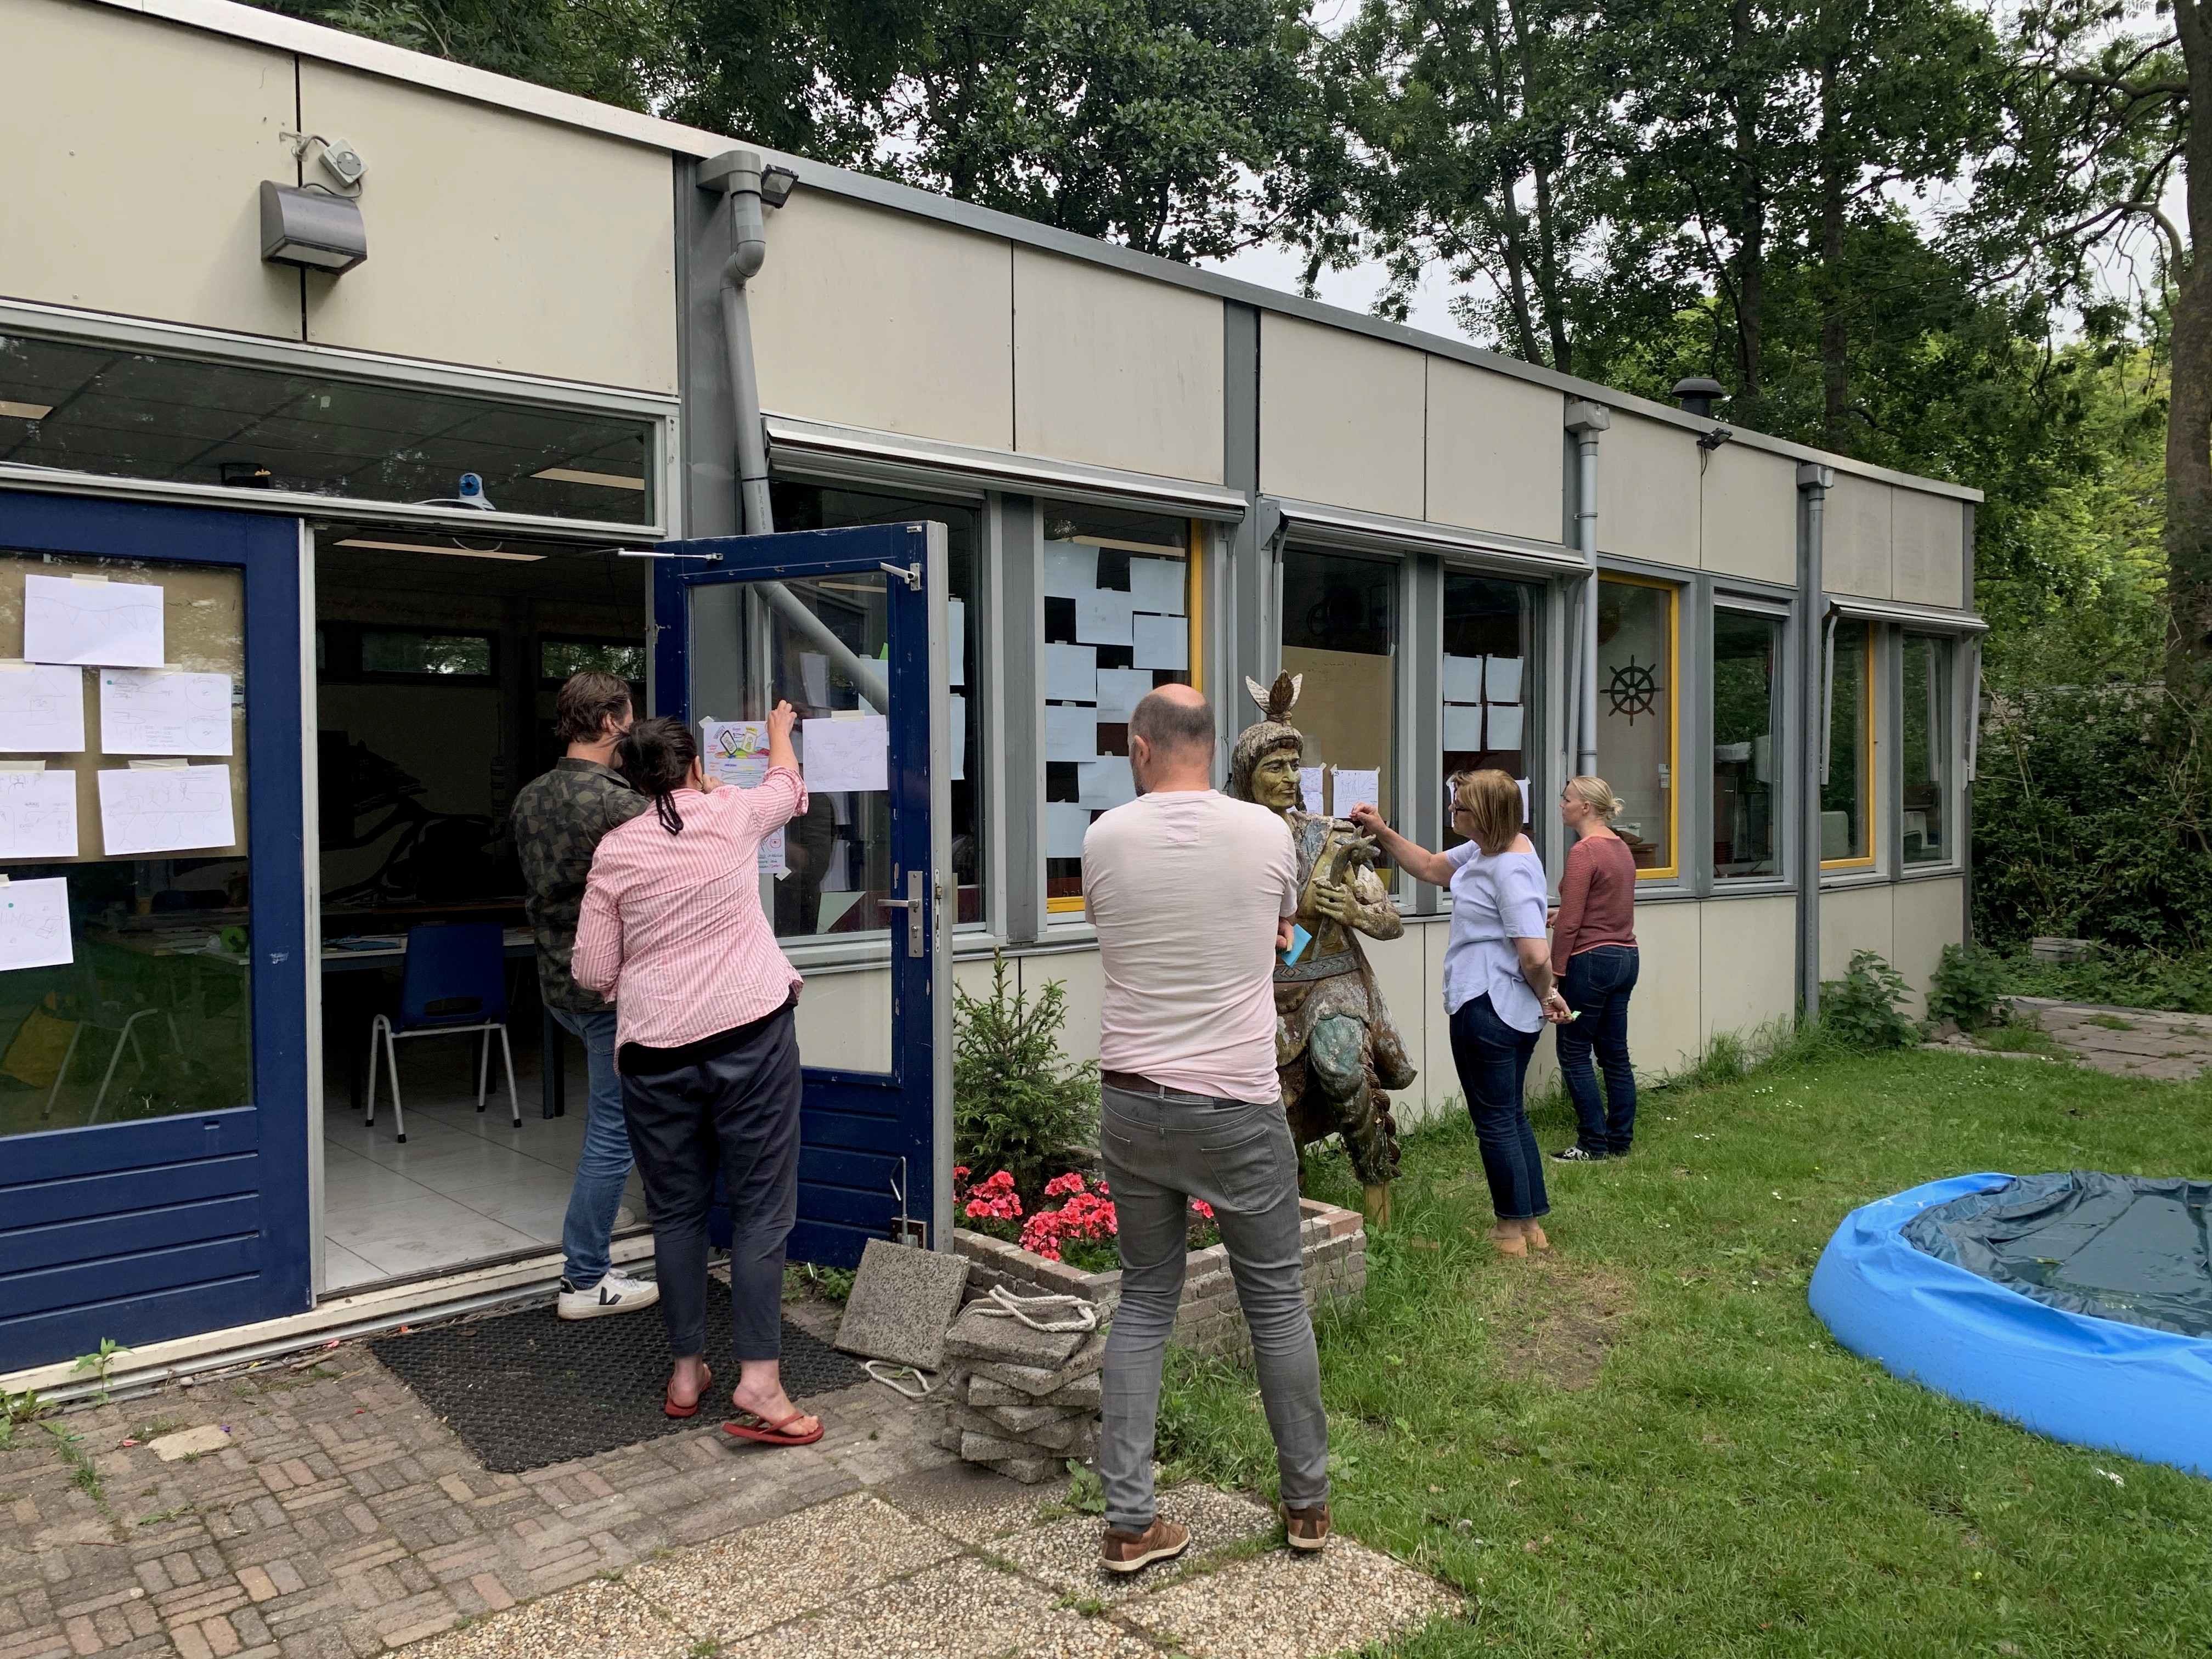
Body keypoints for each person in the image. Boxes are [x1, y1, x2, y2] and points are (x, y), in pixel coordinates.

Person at [1083, 683, 1332, 1573]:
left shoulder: (1103, 836)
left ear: (1140, 749)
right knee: (1274, 1301)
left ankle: (1127, 1520)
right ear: (1211, 745)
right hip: (1236, 1098)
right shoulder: (1271, 834)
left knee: (1145, 1298)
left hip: (1134, 1097)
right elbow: (1285, 938)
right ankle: (1305, 1504)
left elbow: (1114, 941)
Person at [572, 710, 822, 1444]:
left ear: (629, 777)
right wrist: (779, 726)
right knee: (762, 1212)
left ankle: (687, 1372)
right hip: (751, 1036)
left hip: (656, 1056)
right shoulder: (729, 814)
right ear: (692, 765)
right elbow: (786, 784)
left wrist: (649, 980)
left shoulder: (615, 851)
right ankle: (761, 1383)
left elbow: (590, 971)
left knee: (677, 1213)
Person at [1351, 772, 1569, 1256]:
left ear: (1487, 815)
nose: (1453, 815)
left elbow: (1534, 953)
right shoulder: (1492, 850)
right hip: (1501, 1002)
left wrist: (1547, 991)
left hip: (1488, 1004)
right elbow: (1430, 867)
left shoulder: (1506, 870)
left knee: (1494, 1120)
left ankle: (1509, 1232)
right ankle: (1530, 1226)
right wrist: (1381, 831)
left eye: (1460, 809)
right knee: (1510, 1114)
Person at [509, 670, 660, 1322]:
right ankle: (585, 1276)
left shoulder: (530, 797)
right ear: (610, 723)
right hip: (611, 989)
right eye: (628, 717)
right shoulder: (617, 803)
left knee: (620, 1121)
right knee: (612, 1132)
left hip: (558, 984)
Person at [1548, 776, 1640, 1162]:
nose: (1562, 805)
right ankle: (1619, 1138)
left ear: (1585, 807)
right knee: (1614, 1054)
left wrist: (1553, 973)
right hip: (1625, 959)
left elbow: (1572, 923)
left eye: (1567, 799)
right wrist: (1565, 913)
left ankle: (1592, 1144)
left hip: (1590, 966)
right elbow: (1600, 905)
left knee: (1573, 1049)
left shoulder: (1584, 852)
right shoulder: (1621, 848)